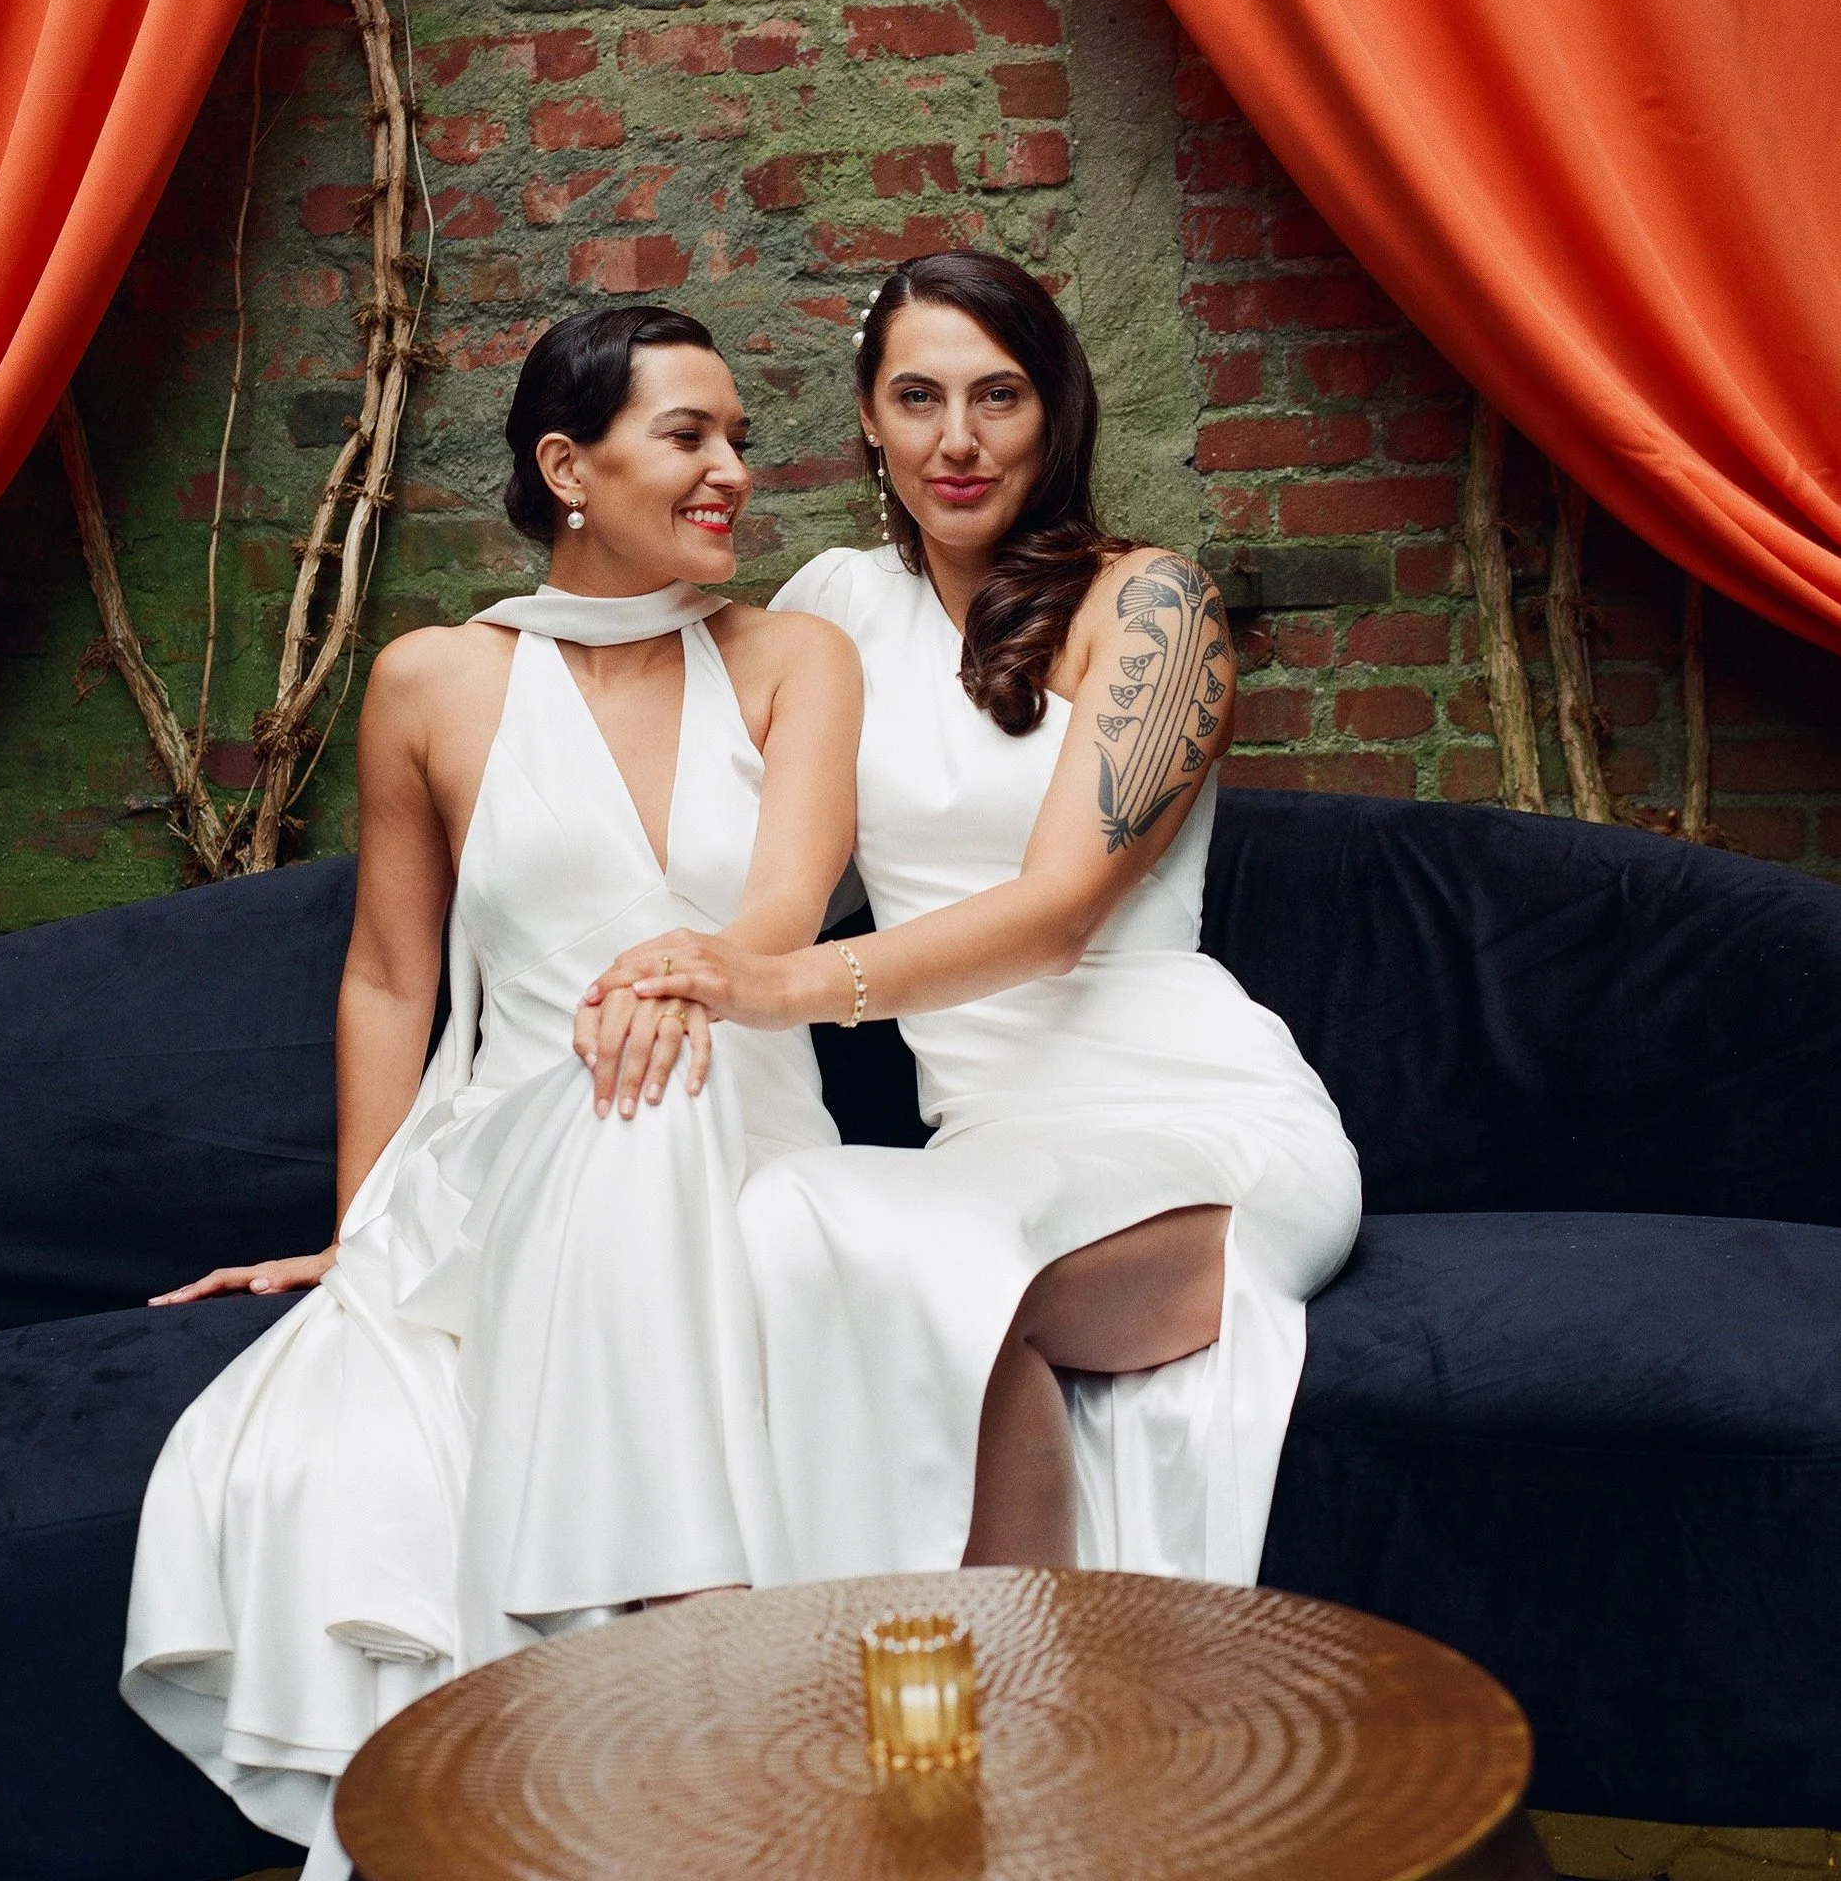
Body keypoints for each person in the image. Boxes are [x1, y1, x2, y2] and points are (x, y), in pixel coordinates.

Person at [118, 304, 859, 1876]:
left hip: (748, 1118)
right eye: (690, 436)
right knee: (615, 1097)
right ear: (565, 467)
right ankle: (706, 1658)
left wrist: (678, 975)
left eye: (739, 438)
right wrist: (364, 1231)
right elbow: (391, 979)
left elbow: (783, 912)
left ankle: (668, 1678)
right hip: (506, 1159)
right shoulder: (434, 683)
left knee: (655, 1075)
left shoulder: (797, 658)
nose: (733, 469)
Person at [589, 249, 1362, 1585]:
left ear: (1054, 415)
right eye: (917, 399)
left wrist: (771, 988)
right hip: (989, 1144)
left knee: (901, 1259)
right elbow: (736, 866)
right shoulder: (833, 609)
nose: (956, 441)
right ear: (868, 423)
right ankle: (851, 1718)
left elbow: (1057, 914)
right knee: (783, 1232)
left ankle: (1026, 1715)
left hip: (1189, 1123)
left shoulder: (1150, 603)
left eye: (996, 397)